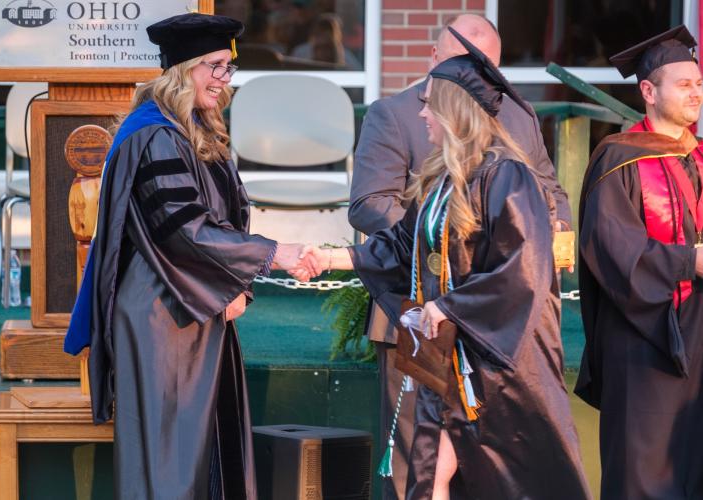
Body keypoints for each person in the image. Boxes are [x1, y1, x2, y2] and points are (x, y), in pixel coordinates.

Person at [301, 39, 590, 500]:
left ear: (454, 111)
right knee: (433, 471)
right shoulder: (444, 183)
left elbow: (524, 270)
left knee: (499, 480)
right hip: (453, 358)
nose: (421, 115)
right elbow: (400, 245)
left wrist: (450, 307)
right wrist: (329, 258)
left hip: (503, 366)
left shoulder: (508, 177)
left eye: (429, 105)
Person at [63, 13, 317, 499]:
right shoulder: (155, 135)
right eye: (215, 66)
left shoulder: (191, 130)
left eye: (228, 68)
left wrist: (235, 286)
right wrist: (274, 254)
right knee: (170, 460)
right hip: (162, 313)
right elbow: (184, 231)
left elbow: (220, 221)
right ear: (184, 69)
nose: (224, 79)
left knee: (199, 454)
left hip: (192, 303)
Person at [576, 25, 703, 499]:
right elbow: (615, 252)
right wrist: (689, 261)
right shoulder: (617, 162)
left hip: (698, 339)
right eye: (684, 84)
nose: (696, 93)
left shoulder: (699, 157)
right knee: (643, 475)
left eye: (699, 83)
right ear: (648, 91)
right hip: (644, 345)